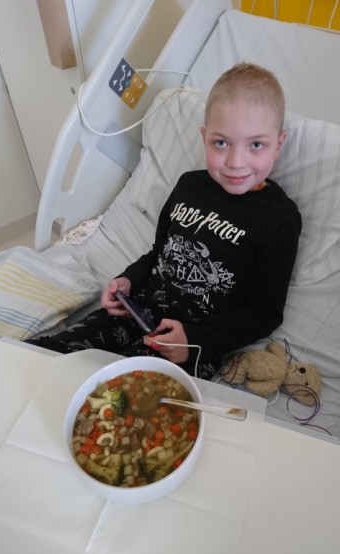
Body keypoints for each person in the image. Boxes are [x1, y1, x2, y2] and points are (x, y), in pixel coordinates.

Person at [26, 63, 302, 380]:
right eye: (221, 143)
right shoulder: (189, 186)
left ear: (278, 144)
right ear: (204, 137)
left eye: (256, 145)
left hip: (193, 340)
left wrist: (195, 341)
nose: (236, 162)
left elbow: (264, 313)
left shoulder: (279, 218)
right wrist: (128, 281)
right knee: (46, 355)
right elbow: (159, 252)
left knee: (125, 392)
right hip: (138, 312)